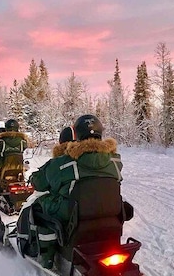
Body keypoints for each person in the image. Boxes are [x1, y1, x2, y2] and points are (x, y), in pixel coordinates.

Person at [28, 115, 122, 268]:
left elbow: (40, 183)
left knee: (39, 208)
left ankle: (47, 258)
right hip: (109, 213)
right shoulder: (115, 161)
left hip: (74, 213)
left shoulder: (65, 162)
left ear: (77, 134)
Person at [16, 126, 76, 260]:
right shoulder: (103, 161)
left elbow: (40, 182)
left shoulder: (60, 162)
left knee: (37, 210)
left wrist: (33, 178)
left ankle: (46, 257)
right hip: (97, 209)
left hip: (71, 210)